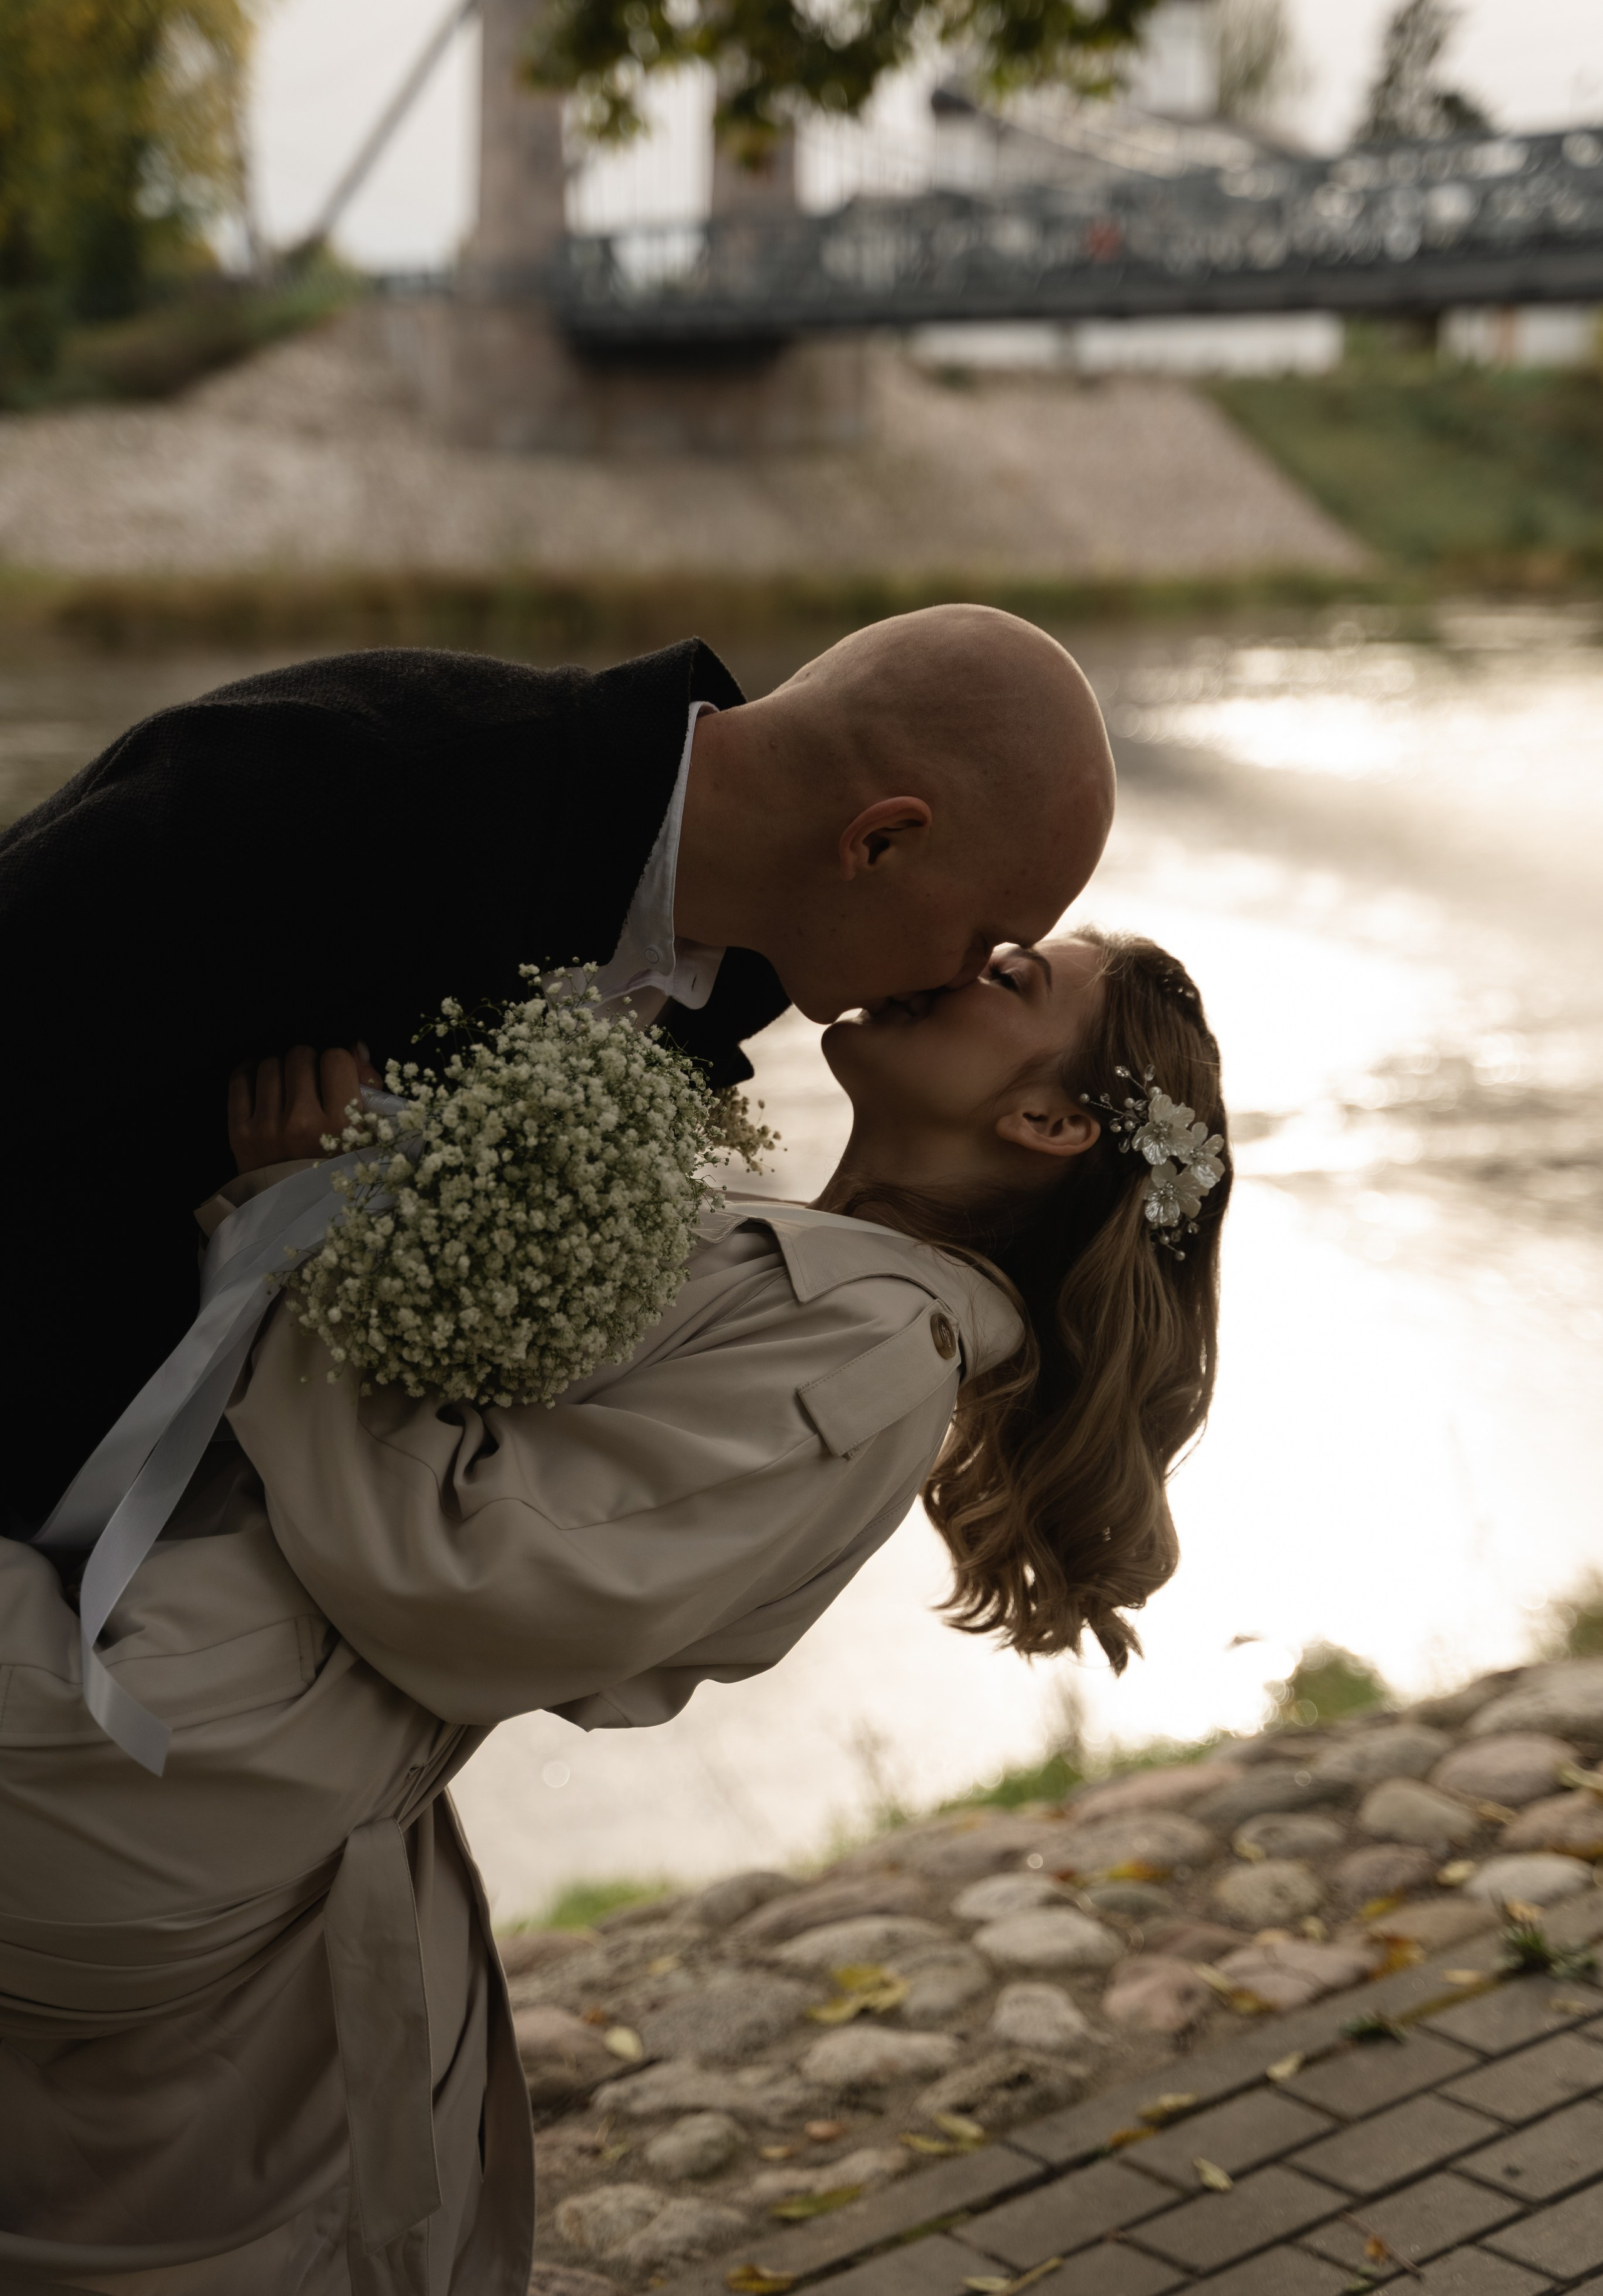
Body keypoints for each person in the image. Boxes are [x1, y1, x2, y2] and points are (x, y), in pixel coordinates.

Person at [0, 926, 1230, 2293]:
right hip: (202, 1717)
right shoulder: (816, 1273)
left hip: (164, 1718)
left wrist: (301, 1217)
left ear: (1048, 1120)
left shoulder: (873, 1354)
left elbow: (472, 1579)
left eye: (1011, 980)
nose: (951, 962)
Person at [0, 604, 1113, 1543]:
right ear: (878, 842)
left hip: (213, 1569)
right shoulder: (351, 778)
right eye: (985, 938)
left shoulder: (746, 980)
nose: (960, 980)